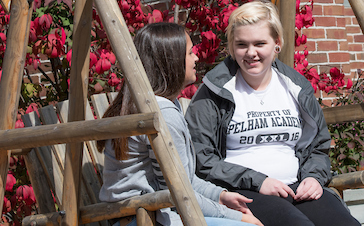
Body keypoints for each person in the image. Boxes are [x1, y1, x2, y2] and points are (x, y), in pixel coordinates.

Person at [185, 1, 361, 226]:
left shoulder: (296, 86)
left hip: (298, 187)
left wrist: (313, 177)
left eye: (260, 43)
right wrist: (259, 181)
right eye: (241, 45)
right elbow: (202, 159)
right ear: (231, 46)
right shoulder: (214, 90)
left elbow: (318, 145)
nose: (251, 53)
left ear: (276, 43)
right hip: (243, 192)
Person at [97, 22, 263, 226]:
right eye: (190, 52)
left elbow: (185, 182)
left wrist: (220, 195)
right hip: (143, 218)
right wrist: (236, 217)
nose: (197, 57)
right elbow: (179, 194)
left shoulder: (154, 104)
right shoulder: (162, 113)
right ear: (171, 61)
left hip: (148, 213)